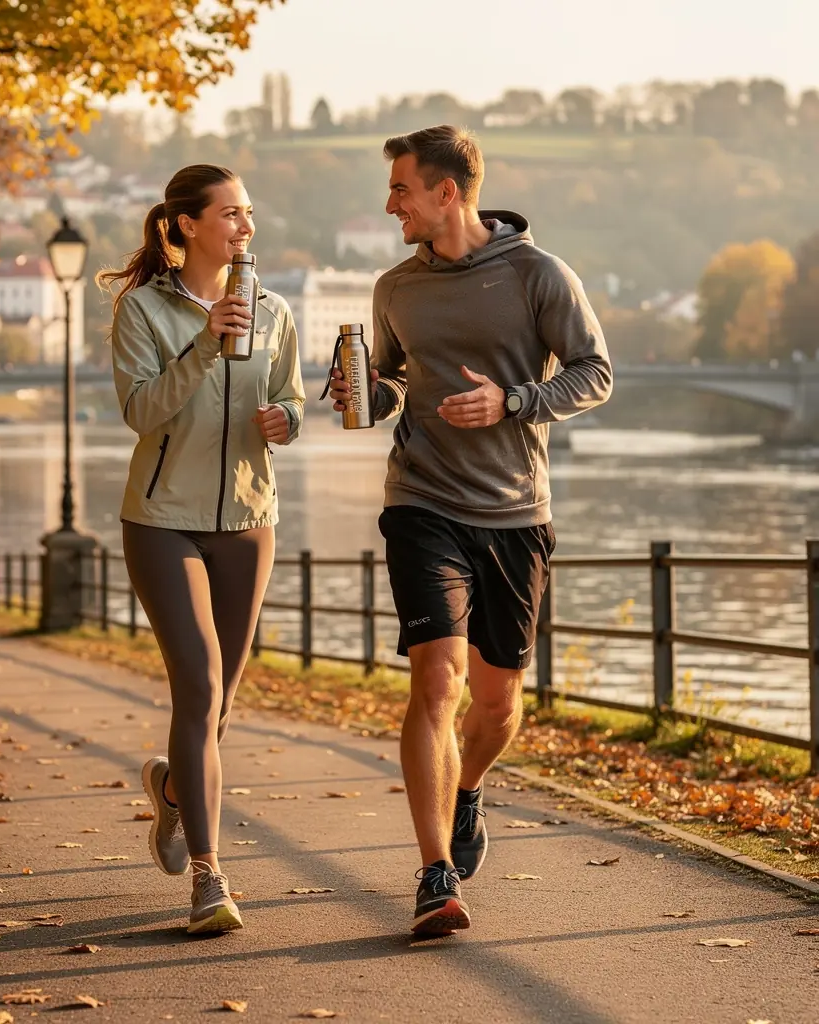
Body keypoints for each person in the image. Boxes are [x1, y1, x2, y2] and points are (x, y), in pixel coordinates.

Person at [328, 125, 612, 936]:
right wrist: (361, 391)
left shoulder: (539, 275)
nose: (391, 205)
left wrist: (515, 400)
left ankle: (469, 786)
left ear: (447, 192)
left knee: (493, 708)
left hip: (516, 511)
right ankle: (434, 874)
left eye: (401, 190)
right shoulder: (394, 288)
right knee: (437, 682)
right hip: (421, 500)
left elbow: (596, 373)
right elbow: (387, 383)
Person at [102, 164, 305, 936]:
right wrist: (205, 346)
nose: (246, 226)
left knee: (220, 699)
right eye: (230, 213)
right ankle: (211, 878)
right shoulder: (144, 312)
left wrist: (288, 419)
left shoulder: (277, 311)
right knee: (199, 680)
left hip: (250, 518)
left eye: (249, 213)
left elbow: (284, 396)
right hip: (162, 520)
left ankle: (174, 790)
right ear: (186, 225)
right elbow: (140, 412)